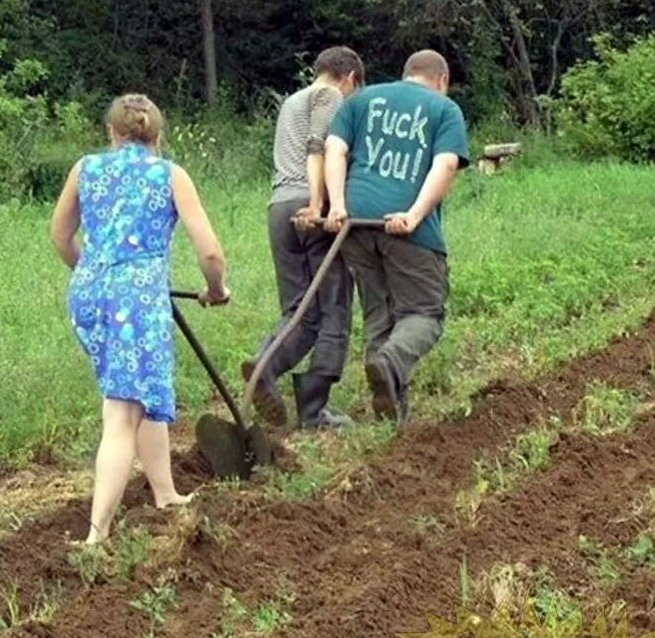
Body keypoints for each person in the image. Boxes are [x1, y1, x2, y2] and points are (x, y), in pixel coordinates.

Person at [50, 94, 230, 545]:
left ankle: (165, 493)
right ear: (158, 135)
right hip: (135, 302)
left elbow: (61, 234)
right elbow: (209, 251)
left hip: (89, 295)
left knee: (141, 389)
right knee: (122, 412)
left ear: (111, 133)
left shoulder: (86, 168)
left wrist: (95, 275)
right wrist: (216, 289)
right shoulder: (168, 174)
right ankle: (97, 535)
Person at [325, 49, 469, 424]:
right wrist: (414, 215)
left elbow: (335, 149)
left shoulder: (361, 99)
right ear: (442, 80)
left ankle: (390, 412)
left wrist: (338, 205)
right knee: (424, 313)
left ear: (406, 74)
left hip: (355, 224)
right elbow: (447, 162)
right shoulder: (444, 109)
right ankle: (388, 364)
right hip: (407, 229)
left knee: (380, 313)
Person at [242, 46, 365, 430]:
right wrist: (318, 205)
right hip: (309, 208)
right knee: (334, 310)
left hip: (278, 207)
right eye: (356, 89)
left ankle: (264, 366)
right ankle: (314, 411)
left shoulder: (292, 101)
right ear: (349, 78)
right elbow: (319, 148)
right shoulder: (329, 96)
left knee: (299, 310)